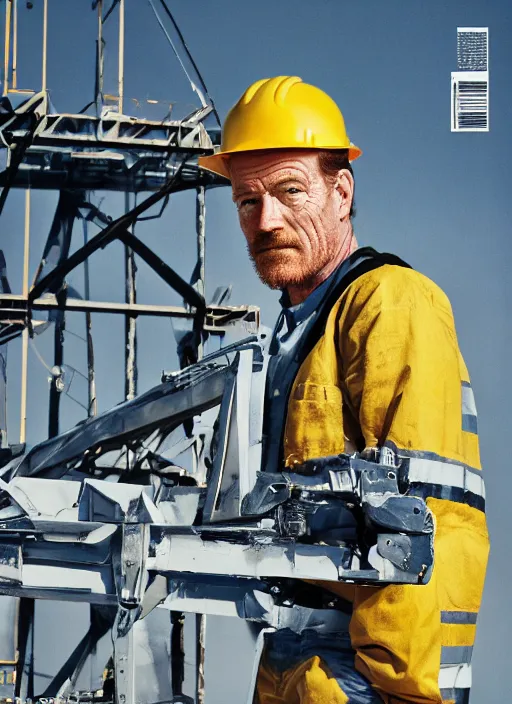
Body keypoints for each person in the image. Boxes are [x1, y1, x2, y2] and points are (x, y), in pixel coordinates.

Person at [199, 76, 489, 704]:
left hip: (371, 681)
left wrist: (399, 693)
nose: (266, 220)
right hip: (295, 670)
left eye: (289, 191)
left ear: (341, 191)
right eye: (247, 202)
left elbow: (423, 521)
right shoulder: (292, 337)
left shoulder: (388, 303)